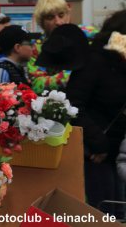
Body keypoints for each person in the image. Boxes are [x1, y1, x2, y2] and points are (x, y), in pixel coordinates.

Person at [59, 13, 126, 210]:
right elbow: (73, 106)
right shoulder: (93, 62)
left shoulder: (120, 64)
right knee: (105, 211)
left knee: (118, 211)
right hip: (96, 153)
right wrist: (99, 144)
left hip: (117, 152)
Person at [28, 0, 72, 93]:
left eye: (61, 15)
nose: (58, 22)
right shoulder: (37, 48)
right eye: (50, 18)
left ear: (68, 15)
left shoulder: (87, 34)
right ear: (42, 23)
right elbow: (37, 84)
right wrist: (67, 76)